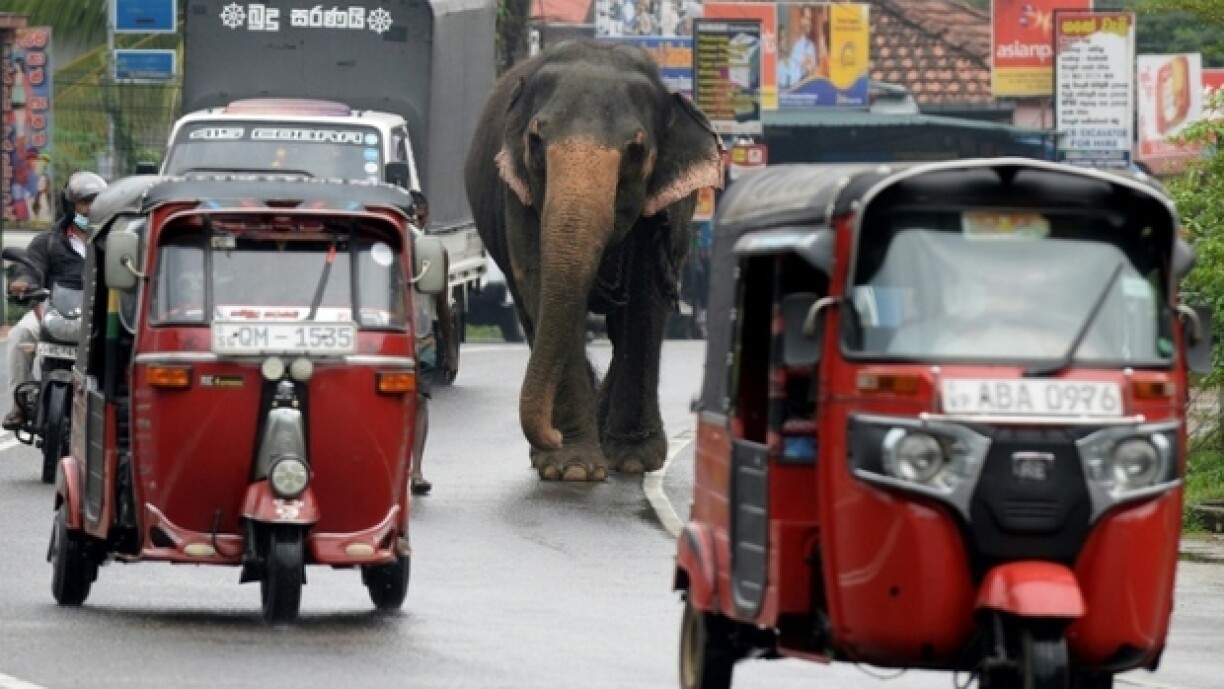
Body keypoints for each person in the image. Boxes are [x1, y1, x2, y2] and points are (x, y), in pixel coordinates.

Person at [3, 171, 107, 431]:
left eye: (95, 201)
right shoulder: (48, 241)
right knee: (21, 334)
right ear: (70, 206)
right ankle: (21, 403)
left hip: (100, 315)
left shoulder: (114, 241)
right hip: (53, 311)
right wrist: (23, 282)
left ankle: (115, 407)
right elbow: (30, 267)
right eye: (84, 202)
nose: (90, 208)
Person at [407, 193, 458, 495]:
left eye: (421, 215)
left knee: (419, 401)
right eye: (411, 214)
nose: (416, 220)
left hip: (421, 338)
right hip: (386, 336)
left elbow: (442, 304)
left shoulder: (433, 253)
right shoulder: (382, 245)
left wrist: (450, 350)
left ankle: (416, 470)